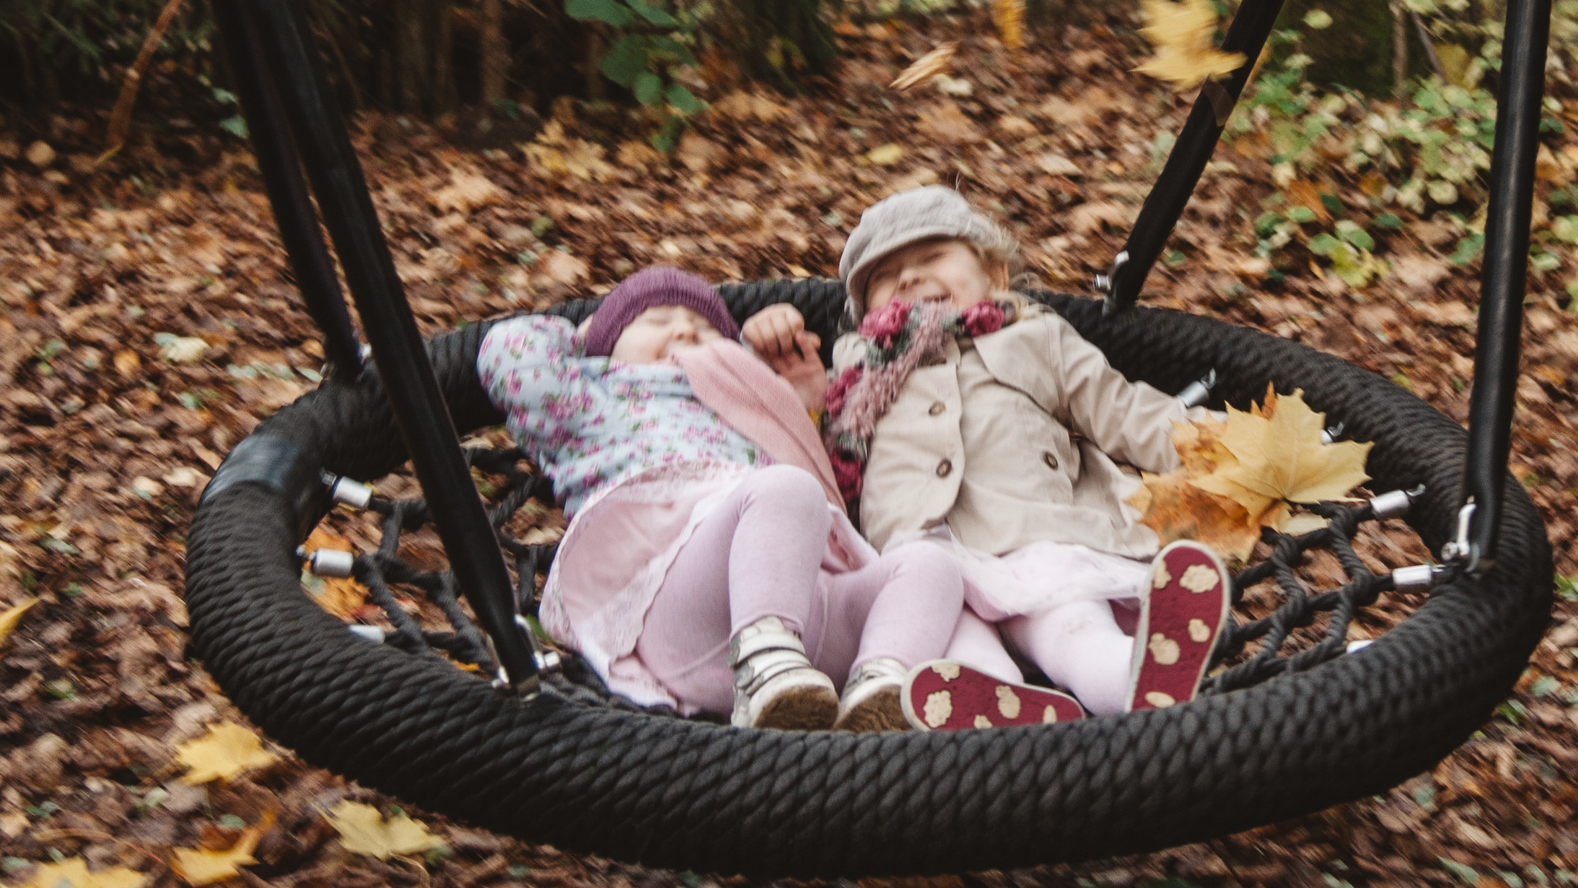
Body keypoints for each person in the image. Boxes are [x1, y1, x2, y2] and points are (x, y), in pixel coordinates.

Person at [743, 188, 1228, 731]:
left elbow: (1125, 412)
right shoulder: (855, 375)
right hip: (921, 563)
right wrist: (805, 395)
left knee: (1073, 628)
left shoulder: (1034, 336)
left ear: (995, 276)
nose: (909, 277)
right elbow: (821, 474)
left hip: (1038, 536)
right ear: (864, 315)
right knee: (948, 649)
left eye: (932, 256)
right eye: (884, 276)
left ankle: (1131, 676)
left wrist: (1226, 446)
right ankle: (994, 712)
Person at [479, 265, 964, 731]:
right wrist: (582, 333)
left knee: (931, 565)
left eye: (706, 327)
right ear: (606, 347)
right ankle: (763, 667)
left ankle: (879, 688)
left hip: (804, 611)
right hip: (674, 598)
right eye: (655, 321)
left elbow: (822, 481)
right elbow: (510, 355)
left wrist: (801, 405)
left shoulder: (749, 401)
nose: (686, 330)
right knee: (786, 490)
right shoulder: (591, 400)